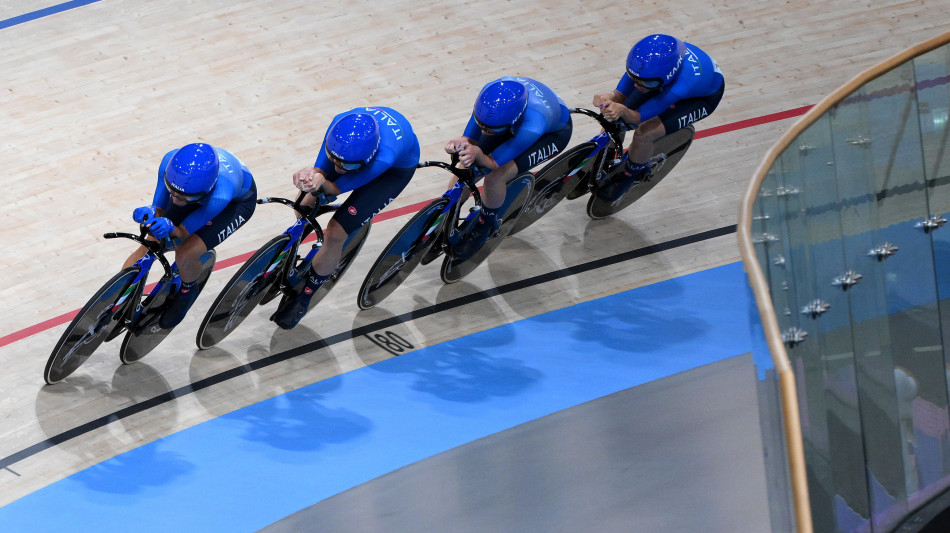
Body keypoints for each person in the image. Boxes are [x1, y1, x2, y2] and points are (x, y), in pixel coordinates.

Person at [271, 107, 421, 329]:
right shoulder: (338, 124)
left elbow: (334, 189)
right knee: (304, 205)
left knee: (335, 232)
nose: (340, 169)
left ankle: (306, 296)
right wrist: (310, 176)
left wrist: (325, 181)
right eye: (336, 162)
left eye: (347, 166)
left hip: (392, 174)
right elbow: (321, 171)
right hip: (351, 152)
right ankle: (291, 253)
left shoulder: (385, 156)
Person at [126, 142, 257, 328]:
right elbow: (160, 209)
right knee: (152, 241)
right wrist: (149, 212)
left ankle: (188, 291)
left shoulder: (220, 195)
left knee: (186, 252)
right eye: (172, 191)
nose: (174, 199)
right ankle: (117, 296)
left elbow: (183, 233)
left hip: (237, 204)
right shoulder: (169, 164)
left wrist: (170, 227)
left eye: (182, 198)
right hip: (196, 189)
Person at [444, 76, 572, 258]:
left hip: (552, 134)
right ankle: (448, 214)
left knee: (495, 177)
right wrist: (463, 141)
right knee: (466, 170)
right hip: (516, 117)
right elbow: (473, 138)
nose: (483, 132)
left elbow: (493, 163)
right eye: (482, 125)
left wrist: (479, 154)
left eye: (488, 130)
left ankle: (486, 224)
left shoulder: (533, 125)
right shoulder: (490, 92)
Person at [592, 34, 724, 201]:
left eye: (645, 83)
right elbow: (620, 94)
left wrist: (624, 111)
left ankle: (631, 174)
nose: (637, 86)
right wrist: (610, 98)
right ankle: (607, 154)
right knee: (616, 117)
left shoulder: (681, 86)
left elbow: (638, 117)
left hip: (701, 98)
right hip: (661, 77)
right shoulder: (645, 68)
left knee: (644, 133)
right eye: (634, 78)